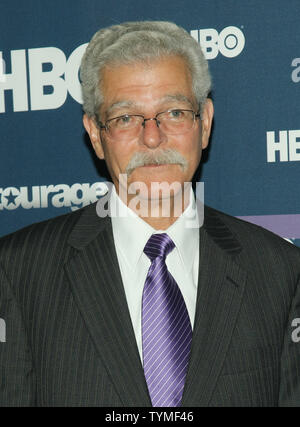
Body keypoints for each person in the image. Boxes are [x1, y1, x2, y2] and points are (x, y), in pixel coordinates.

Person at [0, 20, 300, 407]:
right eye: (126, 118)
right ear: (95, 134)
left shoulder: (279, 270)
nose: (153, 137)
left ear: (204, 123)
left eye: (173, 112)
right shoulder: (18, 271)